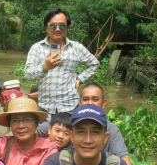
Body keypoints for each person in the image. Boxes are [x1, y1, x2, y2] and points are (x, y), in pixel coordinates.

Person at [23, 8, 100, 137]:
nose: (57, 29)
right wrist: (44, 67)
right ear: (47, 27)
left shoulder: (76, 48)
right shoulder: (37, 48)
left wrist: (79, 79)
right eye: (53, 26)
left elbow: (94, 64)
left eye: (62, 26)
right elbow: (27, 74)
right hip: (45, 109)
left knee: (71, 144)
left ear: (67, 28)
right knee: (36, 138)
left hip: (70, 108)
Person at [79, 82, 135, 165]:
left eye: (95, 99)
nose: (90, 104)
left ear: (103, 103)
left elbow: (124, 158)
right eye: (85, 99)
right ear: (80, 102)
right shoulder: (71, 125)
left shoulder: (112, 129)